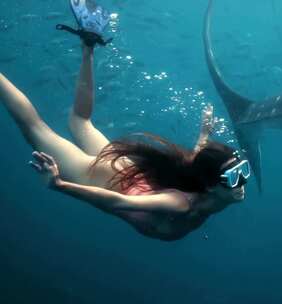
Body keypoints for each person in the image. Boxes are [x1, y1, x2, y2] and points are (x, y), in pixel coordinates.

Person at [0, 0, 250, 241]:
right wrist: (59, 184)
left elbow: (196, 161)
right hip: (105, 180)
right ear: (209, 185)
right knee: (35, 127)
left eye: (242, 171)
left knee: (80, 122)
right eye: (233, 177)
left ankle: (88, 43)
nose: (241, 183)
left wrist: (204, 135)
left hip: (129, 172)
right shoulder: (181, 204)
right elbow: (120, 202)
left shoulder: (202, 184)